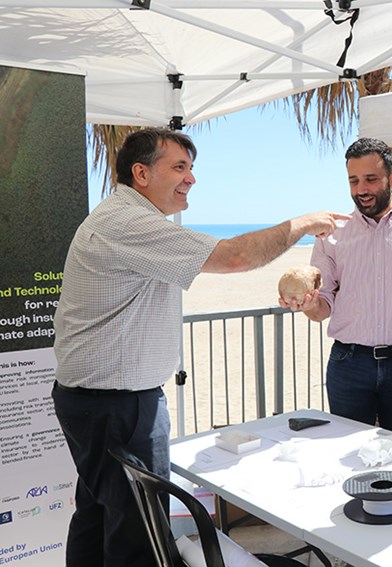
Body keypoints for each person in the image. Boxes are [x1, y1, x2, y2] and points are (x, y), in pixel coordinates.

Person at [52, 128, 345, 566]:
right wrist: (302, 224)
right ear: (141, 173)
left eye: (191, 168)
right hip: (118, 408)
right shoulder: (129, 223)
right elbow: (234, 257)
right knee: (139, 535)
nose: (191, 178)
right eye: (179, 167)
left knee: (97, 517)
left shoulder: (122, 220)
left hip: (98, 403)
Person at [292, 137, 392, 435]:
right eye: (353, 181)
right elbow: (322, 307)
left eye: (370, 179)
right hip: (348, 367)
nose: (361, 189)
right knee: (347, 453)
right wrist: (309, 305)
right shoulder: (331, 235)